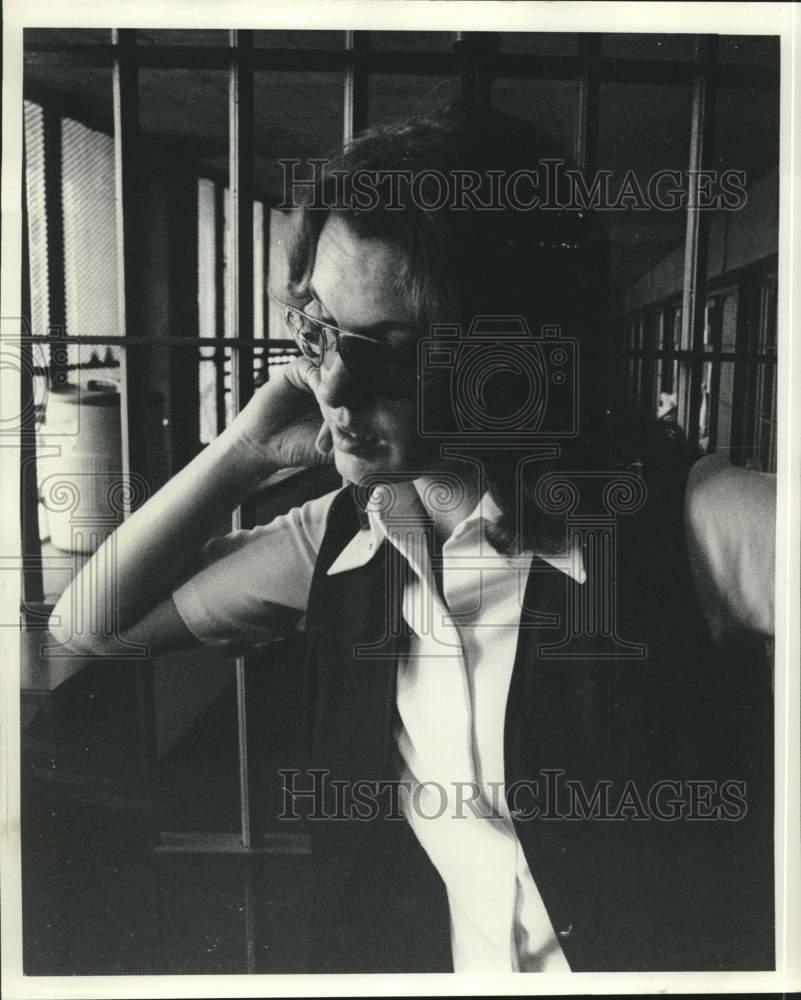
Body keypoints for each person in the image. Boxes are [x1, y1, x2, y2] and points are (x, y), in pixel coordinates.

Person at [50, 104, 774, 974]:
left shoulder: (687, 520)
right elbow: (87, 622)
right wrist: (240, 453)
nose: (336, 388)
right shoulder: (345, 535)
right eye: (318, 329)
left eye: (394, 351)